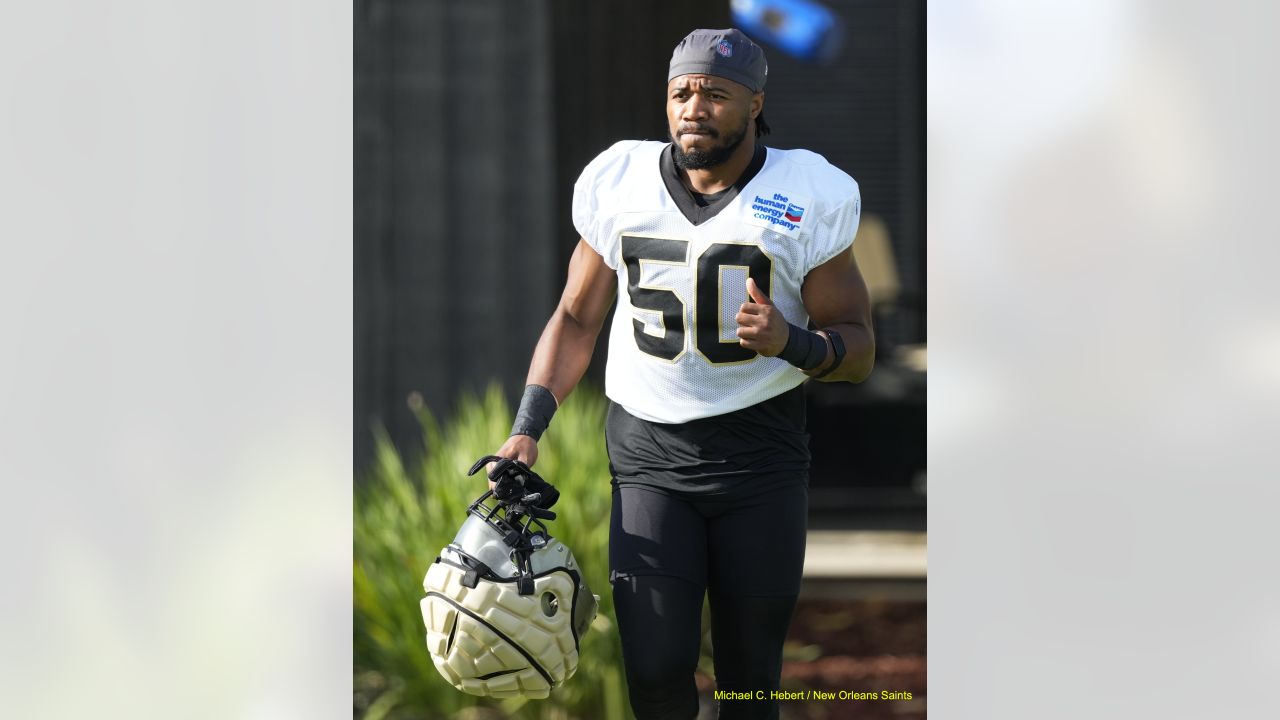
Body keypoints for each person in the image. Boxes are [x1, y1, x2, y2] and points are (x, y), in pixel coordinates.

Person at [488, 28, 874, 720]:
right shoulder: (621, 182)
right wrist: (526, 429)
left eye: (715, 94)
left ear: (755, 104)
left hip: (760, 458)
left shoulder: (806, 192)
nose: (694, 107)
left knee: (749, 679)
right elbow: (576, 320)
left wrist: (793, 343)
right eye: (682, 92)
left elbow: (861, 348)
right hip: (651, 455)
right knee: (656, 666)